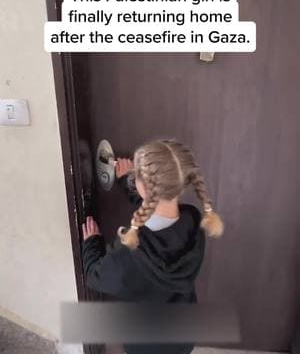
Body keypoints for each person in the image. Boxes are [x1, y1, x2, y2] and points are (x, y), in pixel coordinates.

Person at [82, 139, 224, 354]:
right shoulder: (194, 221)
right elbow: (155, 208)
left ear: (142, 185)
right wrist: (130, 181)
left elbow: (95, 276)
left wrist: (91, 242)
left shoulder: (130, 252)